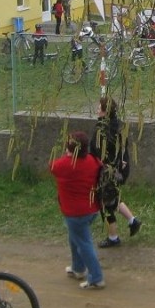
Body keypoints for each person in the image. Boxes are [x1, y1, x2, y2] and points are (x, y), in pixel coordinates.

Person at [49, 131, 105, 289]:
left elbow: (52, 167)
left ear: (69, 148)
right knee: (75, 239)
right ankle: (78, 268)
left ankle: (96, 278)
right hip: (92, 209)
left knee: (84, 244)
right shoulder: (93, 161)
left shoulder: (62, 165)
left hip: (75, 213)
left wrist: (67, 154)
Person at [92, 97, 141, 248]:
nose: (97, 110)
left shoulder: (102, 129)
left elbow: (96, 150)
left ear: (104, 112)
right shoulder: (118, 126)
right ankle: (133, 221)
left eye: (99, 108)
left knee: (106, 203)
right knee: (113, 197)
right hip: (120, 169)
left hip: (109, 172)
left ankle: (113, 238)